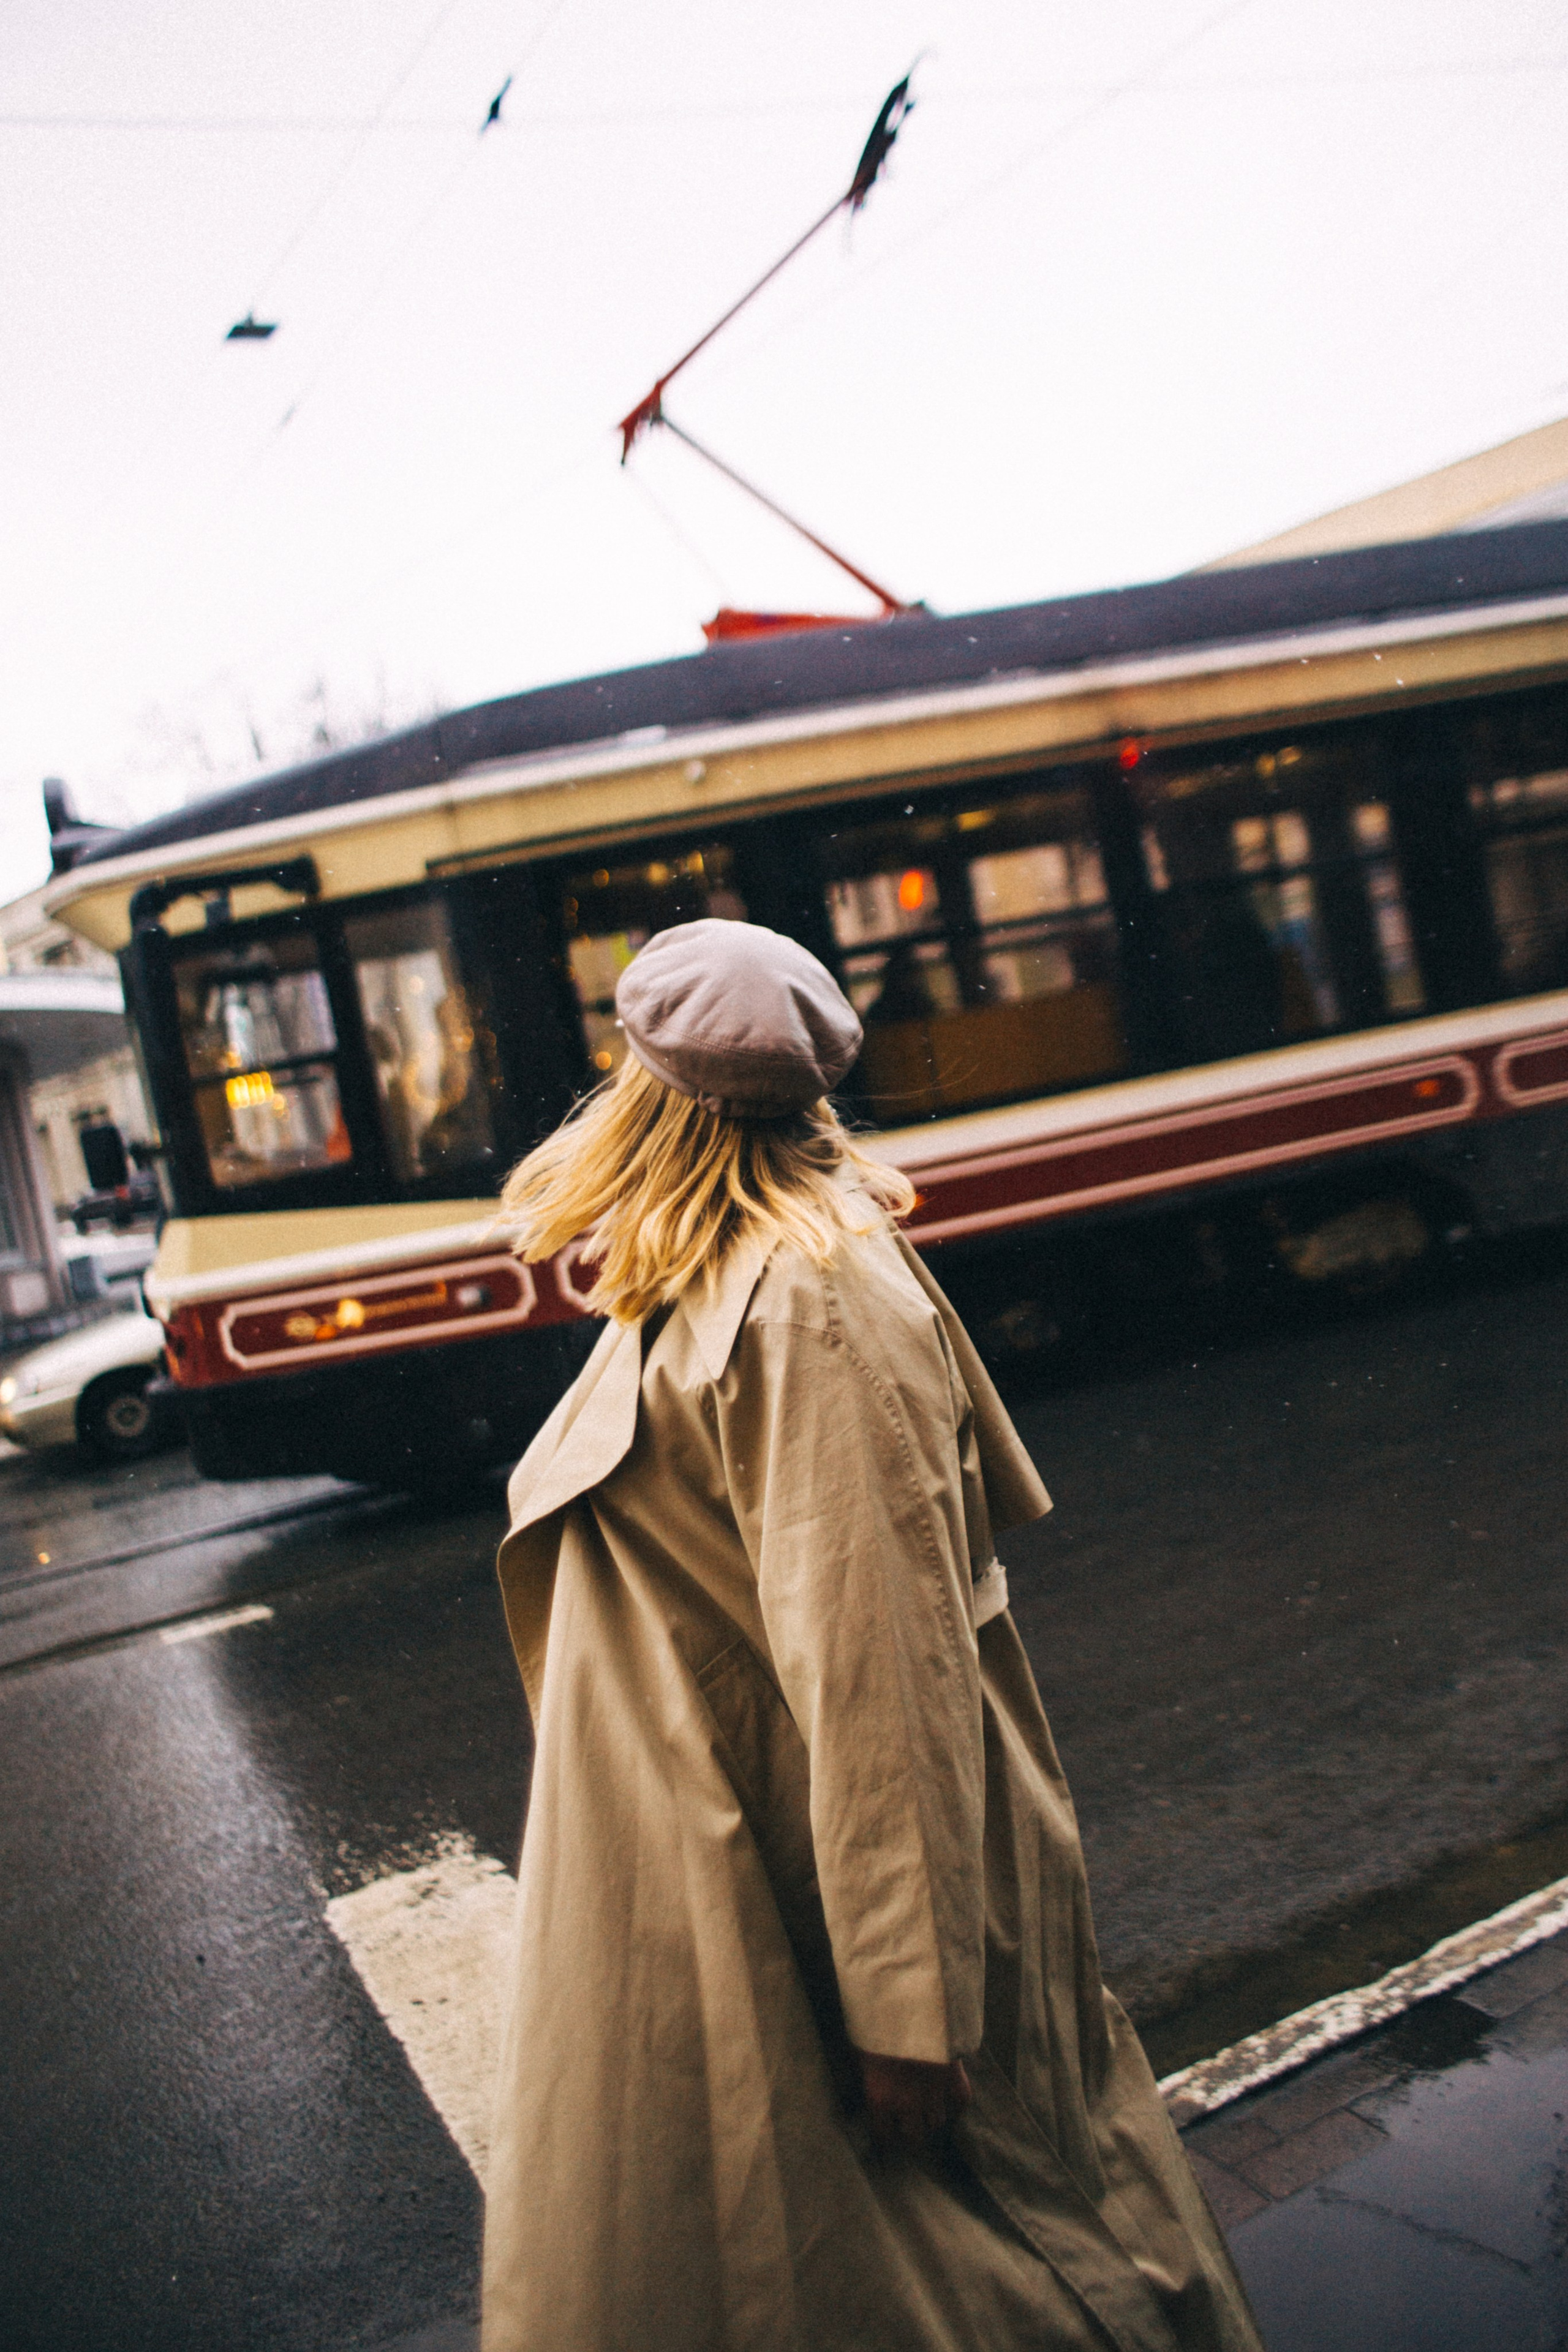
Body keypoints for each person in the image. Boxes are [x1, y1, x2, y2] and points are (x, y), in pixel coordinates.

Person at [483, 918, 1262, 2352]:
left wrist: (906, 2000)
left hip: (794, 1884)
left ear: (646, 1093)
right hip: (731, 1859)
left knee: (992, 2254)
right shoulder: (727, 1263)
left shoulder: (810, 1297)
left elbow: (877, 1662)